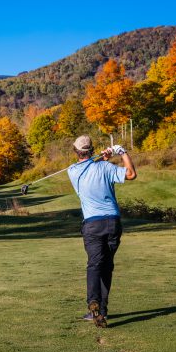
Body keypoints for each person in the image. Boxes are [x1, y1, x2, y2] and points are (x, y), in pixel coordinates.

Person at [67, 135, 137, 328]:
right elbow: (131, 174)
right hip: (112, 222)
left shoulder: (72, 171)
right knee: (107, 266)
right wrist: (122, 153)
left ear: (75, 151)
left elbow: (90, 167)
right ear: (92, 150)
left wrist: (101, 158)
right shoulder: (106, 168)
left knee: (94, 265)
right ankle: (102, 310)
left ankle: (93, 303)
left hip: (92, 224)